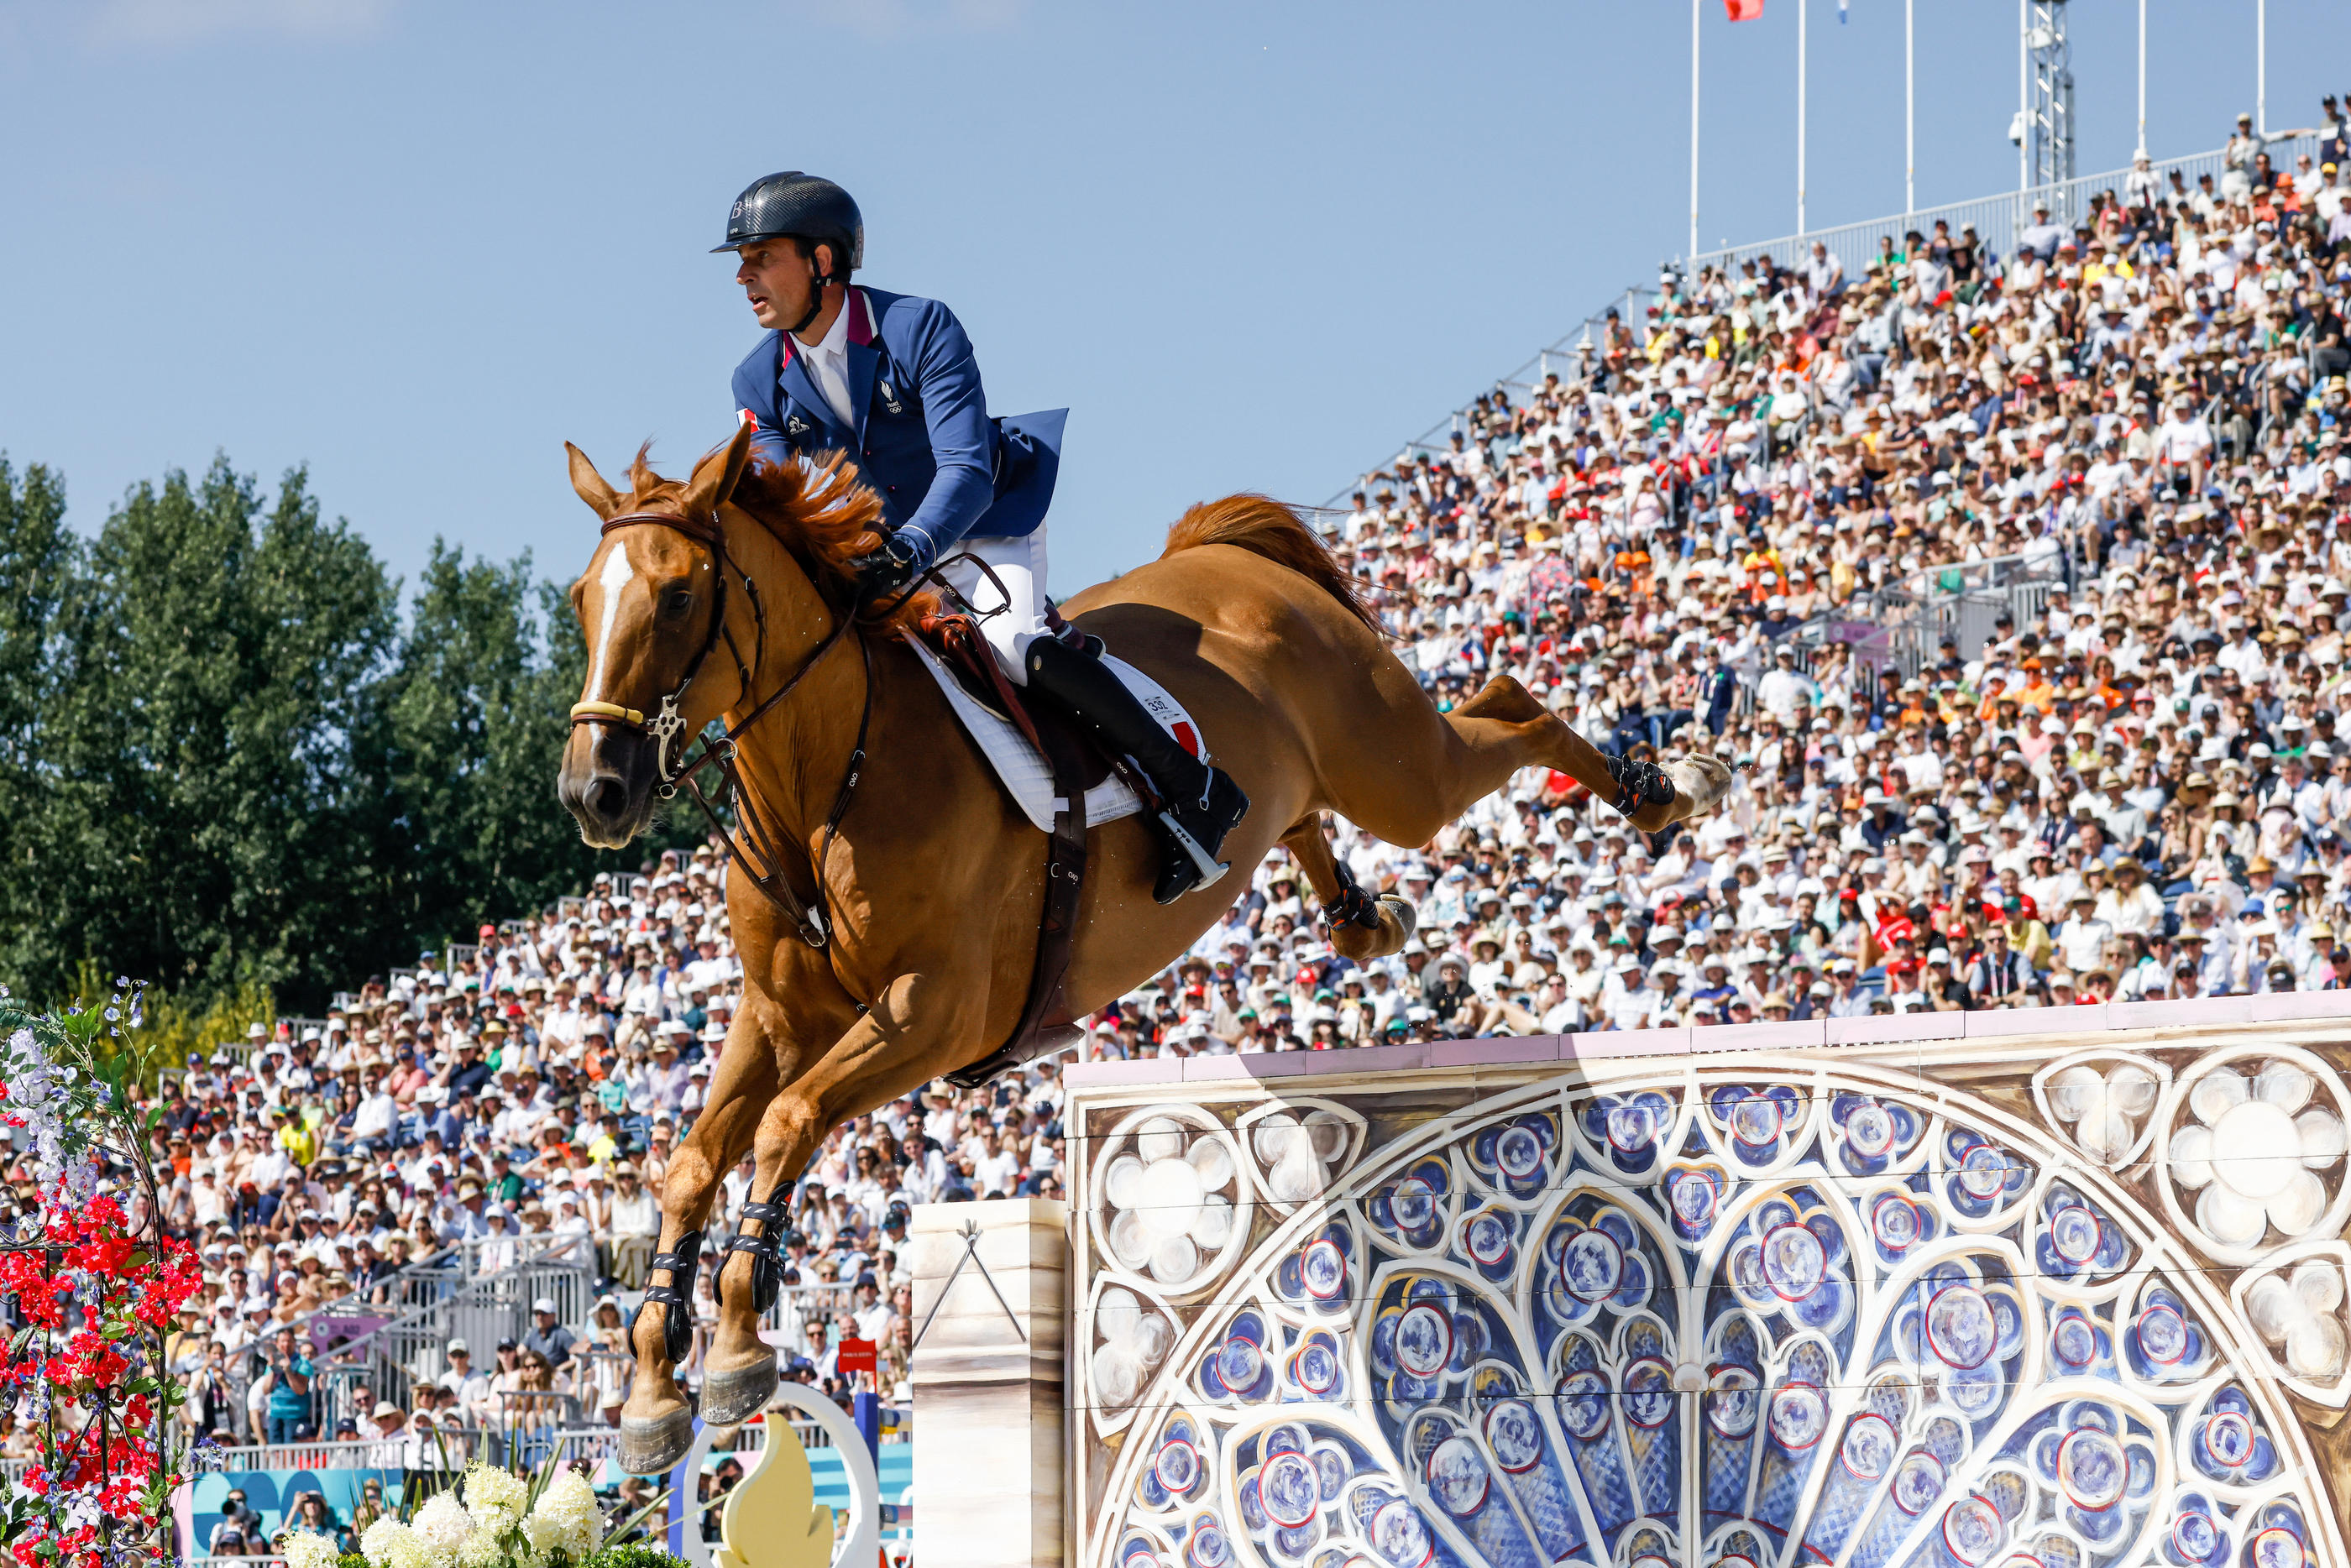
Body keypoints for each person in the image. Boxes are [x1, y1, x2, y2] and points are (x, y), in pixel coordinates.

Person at [717, 170, 1248, 902]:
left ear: (824, 261)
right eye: (740, 261)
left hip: (978, 525)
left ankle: (1195, 788)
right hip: (880, 558)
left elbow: (966, 470)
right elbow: (786, 508)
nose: (743, 276)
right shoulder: (758, 381)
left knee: (1013, 646)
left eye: (761, 256)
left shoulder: (918, 326)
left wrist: (912, 549)